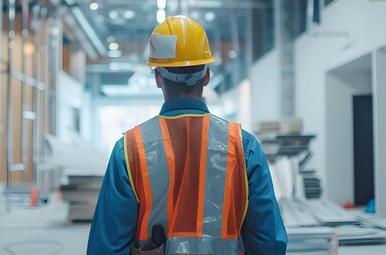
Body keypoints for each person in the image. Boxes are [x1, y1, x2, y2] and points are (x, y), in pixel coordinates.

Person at [87, 15, 287, 255]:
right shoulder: (243, 147)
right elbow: (269, 244)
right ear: (207, 76)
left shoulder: (129, 150)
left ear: (158, 78)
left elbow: (105, 247)